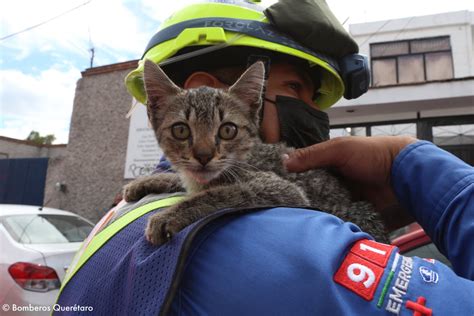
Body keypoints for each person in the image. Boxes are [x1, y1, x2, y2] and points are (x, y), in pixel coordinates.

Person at [55, 0, 474, 315]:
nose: (313, 115)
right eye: (295, 89)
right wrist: (414, 164)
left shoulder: (122, 214)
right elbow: (269, 192)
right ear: (234, 96)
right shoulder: (274, 243)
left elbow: (211, 181)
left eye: (316, 101)